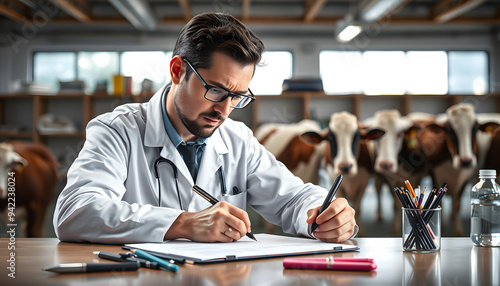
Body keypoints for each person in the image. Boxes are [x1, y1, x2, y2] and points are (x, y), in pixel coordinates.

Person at [53, 12, 357, 244]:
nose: (224, 110)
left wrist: (324, 213)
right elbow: (76, 211)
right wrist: (183, 223)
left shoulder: (237, 139)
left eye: (237, 96)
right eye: (215, 90)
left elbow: (292, 199)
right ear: (177, 71)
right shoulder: (117, 130)